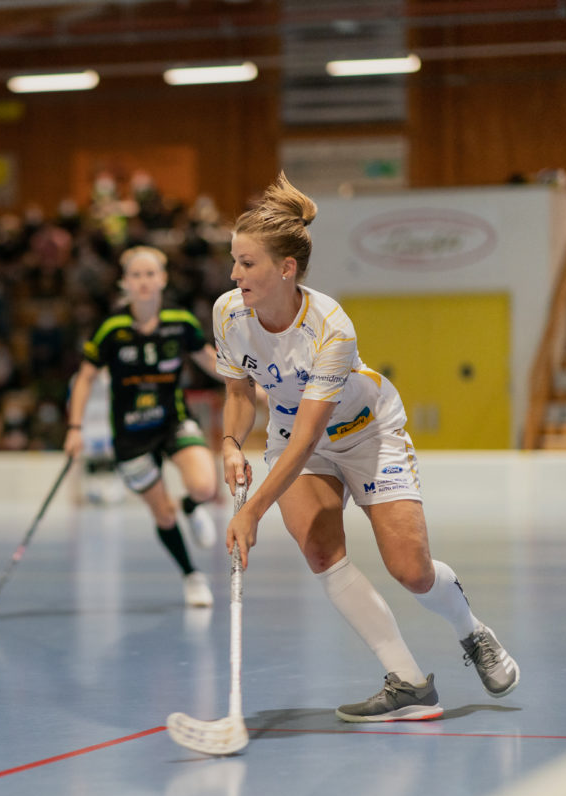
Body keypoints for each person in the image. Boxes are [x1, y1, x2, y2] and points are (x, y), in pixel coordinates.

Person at [214, 173, 519, 722]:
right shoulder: (229, 314)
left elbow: (310, 437)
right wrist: (232, 443)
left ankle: (472, 632)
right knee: (321, 552)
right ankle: (408, 683)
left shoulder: (331, 328)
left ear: (286, 269)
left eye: (247, 263)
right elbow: (239, 391)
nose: (235, 275)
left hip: (365, 432)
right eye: (234, 261)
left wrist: (252, 511)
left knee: (412, 571)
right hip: (292, 430)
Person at [64, 245, 223, 607]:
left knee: (203, 486)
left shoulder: (180, 323)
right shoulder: (112, 330)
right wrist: (75, 428)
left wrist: (252, 387)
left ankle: (192, 508)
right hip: (131, 436)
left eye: (150, 274)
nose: (144, 281)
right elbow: (85, 379)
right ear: (125, 283)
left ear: (163, 279)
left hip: (173, 421)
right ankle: (191, 575)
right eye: (136, 275)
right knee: (161, 511)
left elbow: (209, 360)